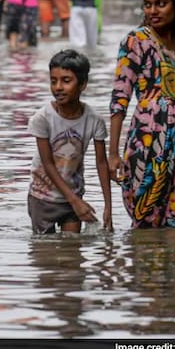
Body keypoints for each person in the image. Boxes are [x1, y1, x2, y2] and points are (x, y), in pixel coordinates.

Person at [109, 0, 175, 229]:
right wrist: (113, 153)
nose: (153, 11)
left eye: (161, 4)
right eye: (148, 5)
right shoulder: (136, 41)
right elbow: (119, 99)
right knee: (146, 223)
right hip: (148, 143)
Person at [28, 49, 112, 234]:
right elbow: (48, 164)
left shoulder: (94, 120)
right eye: (53, 81)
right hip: (43, 198)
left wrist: (108, 207)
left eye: (66, 81)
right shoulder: (42, 118)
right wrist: (75, 201)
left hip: (73, 196)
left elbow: (101, 163)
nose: (58, 87)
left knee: (72, 248)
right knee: (44, 248)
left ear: (83, 84)